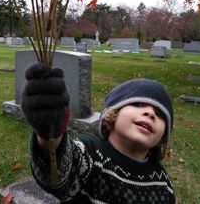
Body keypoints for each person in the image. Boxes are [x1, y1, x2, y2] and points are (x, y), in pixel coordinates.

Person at [21, 62, 175, 203]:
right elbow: (57, 175)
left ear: (163, 136)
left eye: (160, 114)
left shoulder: (163, 183)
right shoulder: (90, 154)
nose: (150, 113)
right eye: (138, 104)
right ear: (112, 114)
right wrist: (50, 132)